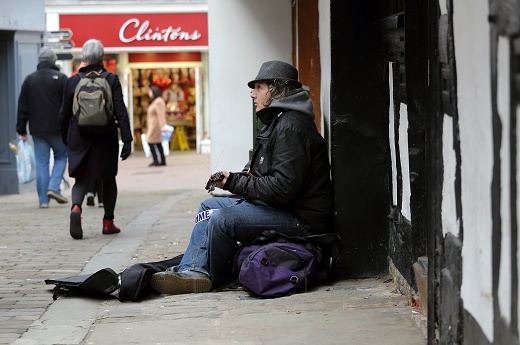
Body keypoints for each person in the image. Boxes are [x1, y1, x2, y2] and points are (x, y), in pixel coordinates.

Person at [149, 60, 334, 295]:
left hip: (301, 220)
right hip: (284, 208)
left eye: (258, 87)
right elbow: (272, 176)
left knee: (223, 219)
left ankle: (214, 276)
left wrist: (236, 183)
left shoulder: (291, 127)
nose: (252, 94)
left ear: (276, 90)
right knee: (209, 205)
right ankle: (193, 270)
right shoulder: (279, 122)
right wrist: (234, 177)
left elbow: (284, 188)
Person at [60, 39, 133, 240]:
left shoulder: (72, 81)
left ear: (83, 57)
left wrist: (65, 137)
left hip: (79, 137)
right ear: (102, 57)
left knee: (81, 179)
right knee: (108, 179)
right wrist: (127, 139)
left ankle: (76, 207)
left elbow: (64, 114)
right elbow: (121, 111)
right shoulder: (111, 79)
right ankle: (108, 222)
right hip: (105, 138)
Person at [16, 47, 69, 208]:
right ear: (53, 61)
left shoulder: (29, 79)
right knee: (61, 156)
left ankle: (43, 201)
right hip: (58, 129)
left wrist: (21, 130)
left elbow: (22, 106)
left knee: (42, 163)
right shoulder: (61, 78)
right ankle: (53, 187)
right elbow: (68, 105)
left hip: (37, 130)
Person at [146, 86, 167, 167]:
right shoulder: (155, 101)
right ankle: (162, 160)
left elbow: (161, 115)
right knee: (158, 143)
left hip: (156, 126)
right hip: (153, 125)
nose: (149, 93)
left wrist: (162, 126)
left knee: (149, 141)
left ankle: (156, 160)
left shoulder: (158, 101)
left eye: (150, 91)